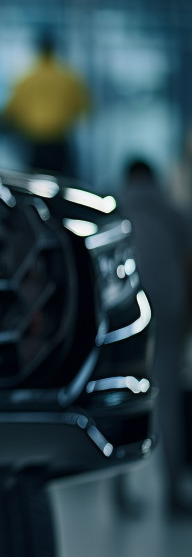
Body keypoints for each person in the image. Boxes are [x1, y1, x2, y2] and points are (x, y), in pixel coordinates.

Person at [115, 158, 192, 517]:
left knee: (122, 395)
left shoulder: (114, 206)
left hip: (128, 310)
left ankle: (120, 488)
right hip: (169, 308)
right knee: (169, 400)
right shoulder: (173, 214)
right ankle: (174, 490)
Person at [0, 30, 91, 175]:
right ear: (54, 49)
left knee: (35, 184)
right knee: (62, 183)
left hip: (34, 143)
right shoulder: (68, 76)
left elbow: (11, 110)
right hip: (59, 140)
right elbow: (83, 107)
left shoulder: (26, 78)